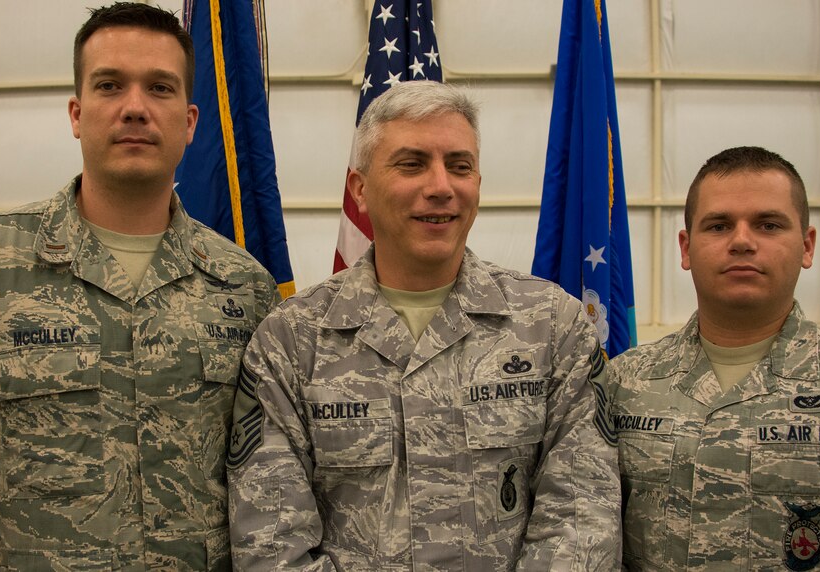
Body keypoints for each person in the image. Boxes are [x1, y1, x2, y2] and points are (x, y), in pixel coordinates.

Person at [0, 3, 277, 569]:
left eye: (159, 87)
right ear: (77, 114)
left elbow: (276, 476)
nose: (134, 108)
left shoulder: (243, 288)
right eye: (110, 85)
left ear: (191, 122)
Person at [226, 80, 621, 570]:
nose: (440, 186)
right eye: (411, 164)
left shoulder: (552, 327)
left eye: (460, 166)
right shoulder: (292, 340)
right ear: (360, 189)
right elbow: (270, 540)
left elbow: (583, 517)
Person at [609, 145, 820, 570]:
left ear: (807, 246)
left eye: (768, 225)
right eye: (718, 225)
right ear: (686, 248)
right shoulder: (624, 383)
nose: (742, 241)